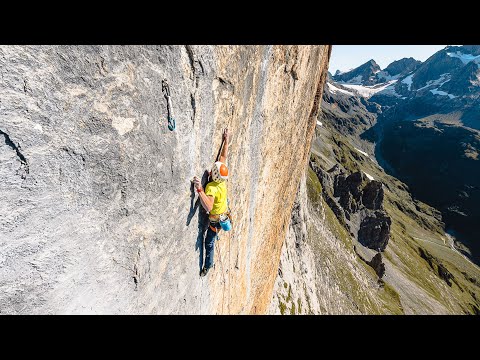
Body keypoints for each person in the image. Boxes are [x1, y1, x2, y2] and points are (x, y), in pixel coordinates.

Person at [193, 128, 230, 277]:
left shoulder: (212, 188)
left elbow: (208, 206)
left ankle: (208, 265)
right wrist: (225, 140)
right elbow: (223, 157)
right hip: (224, 209)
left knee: (209, 242)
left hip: (216, 219)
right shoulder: (221, 179)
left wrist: (200, 189)